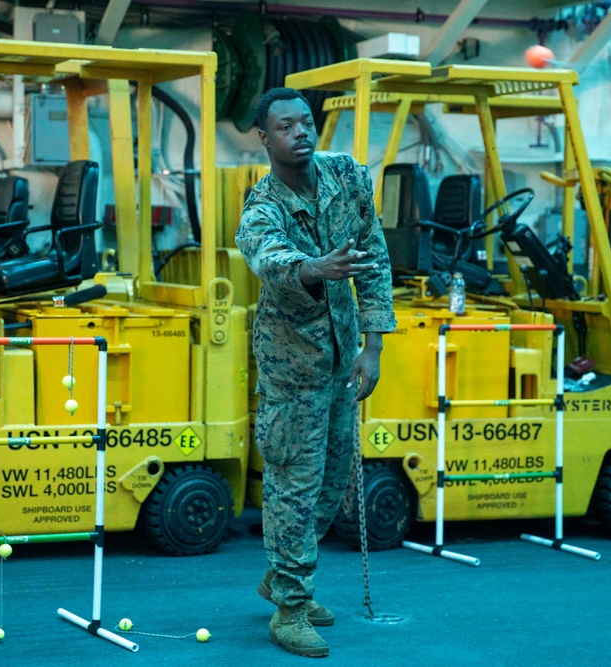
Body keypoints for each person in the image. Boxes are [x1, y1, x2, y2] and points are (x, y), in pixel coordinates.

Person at [235, 87, 396, 658]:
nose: (300, 132)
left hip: (341, 358)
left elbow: (373, 257)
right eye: (285, 126)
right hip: (291, 370)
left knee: (331, 484)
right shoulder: (262, 206)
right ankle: (291, 607)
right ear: (265, 137)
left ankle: (286, 579)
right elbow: (268, 258)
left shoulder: (347, 176)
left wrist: (373, 347)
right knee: (293, 487)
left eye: (306, 121)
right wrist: (312, 268)